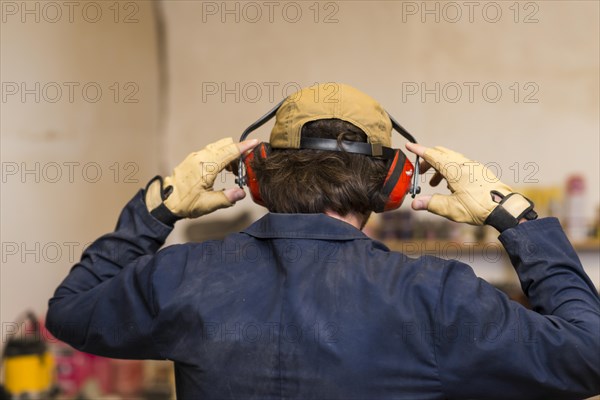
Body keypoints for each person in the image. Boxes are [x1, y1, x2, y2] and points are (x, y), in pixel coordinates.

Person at [47, 83, 600, 399]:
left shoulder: (180, 277)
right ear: (392, 184)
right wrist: (518, 219)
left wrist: (155, 209)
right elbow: (587, 356)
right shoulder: (436, 297)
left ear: (257, 176)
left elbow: (70, 312)